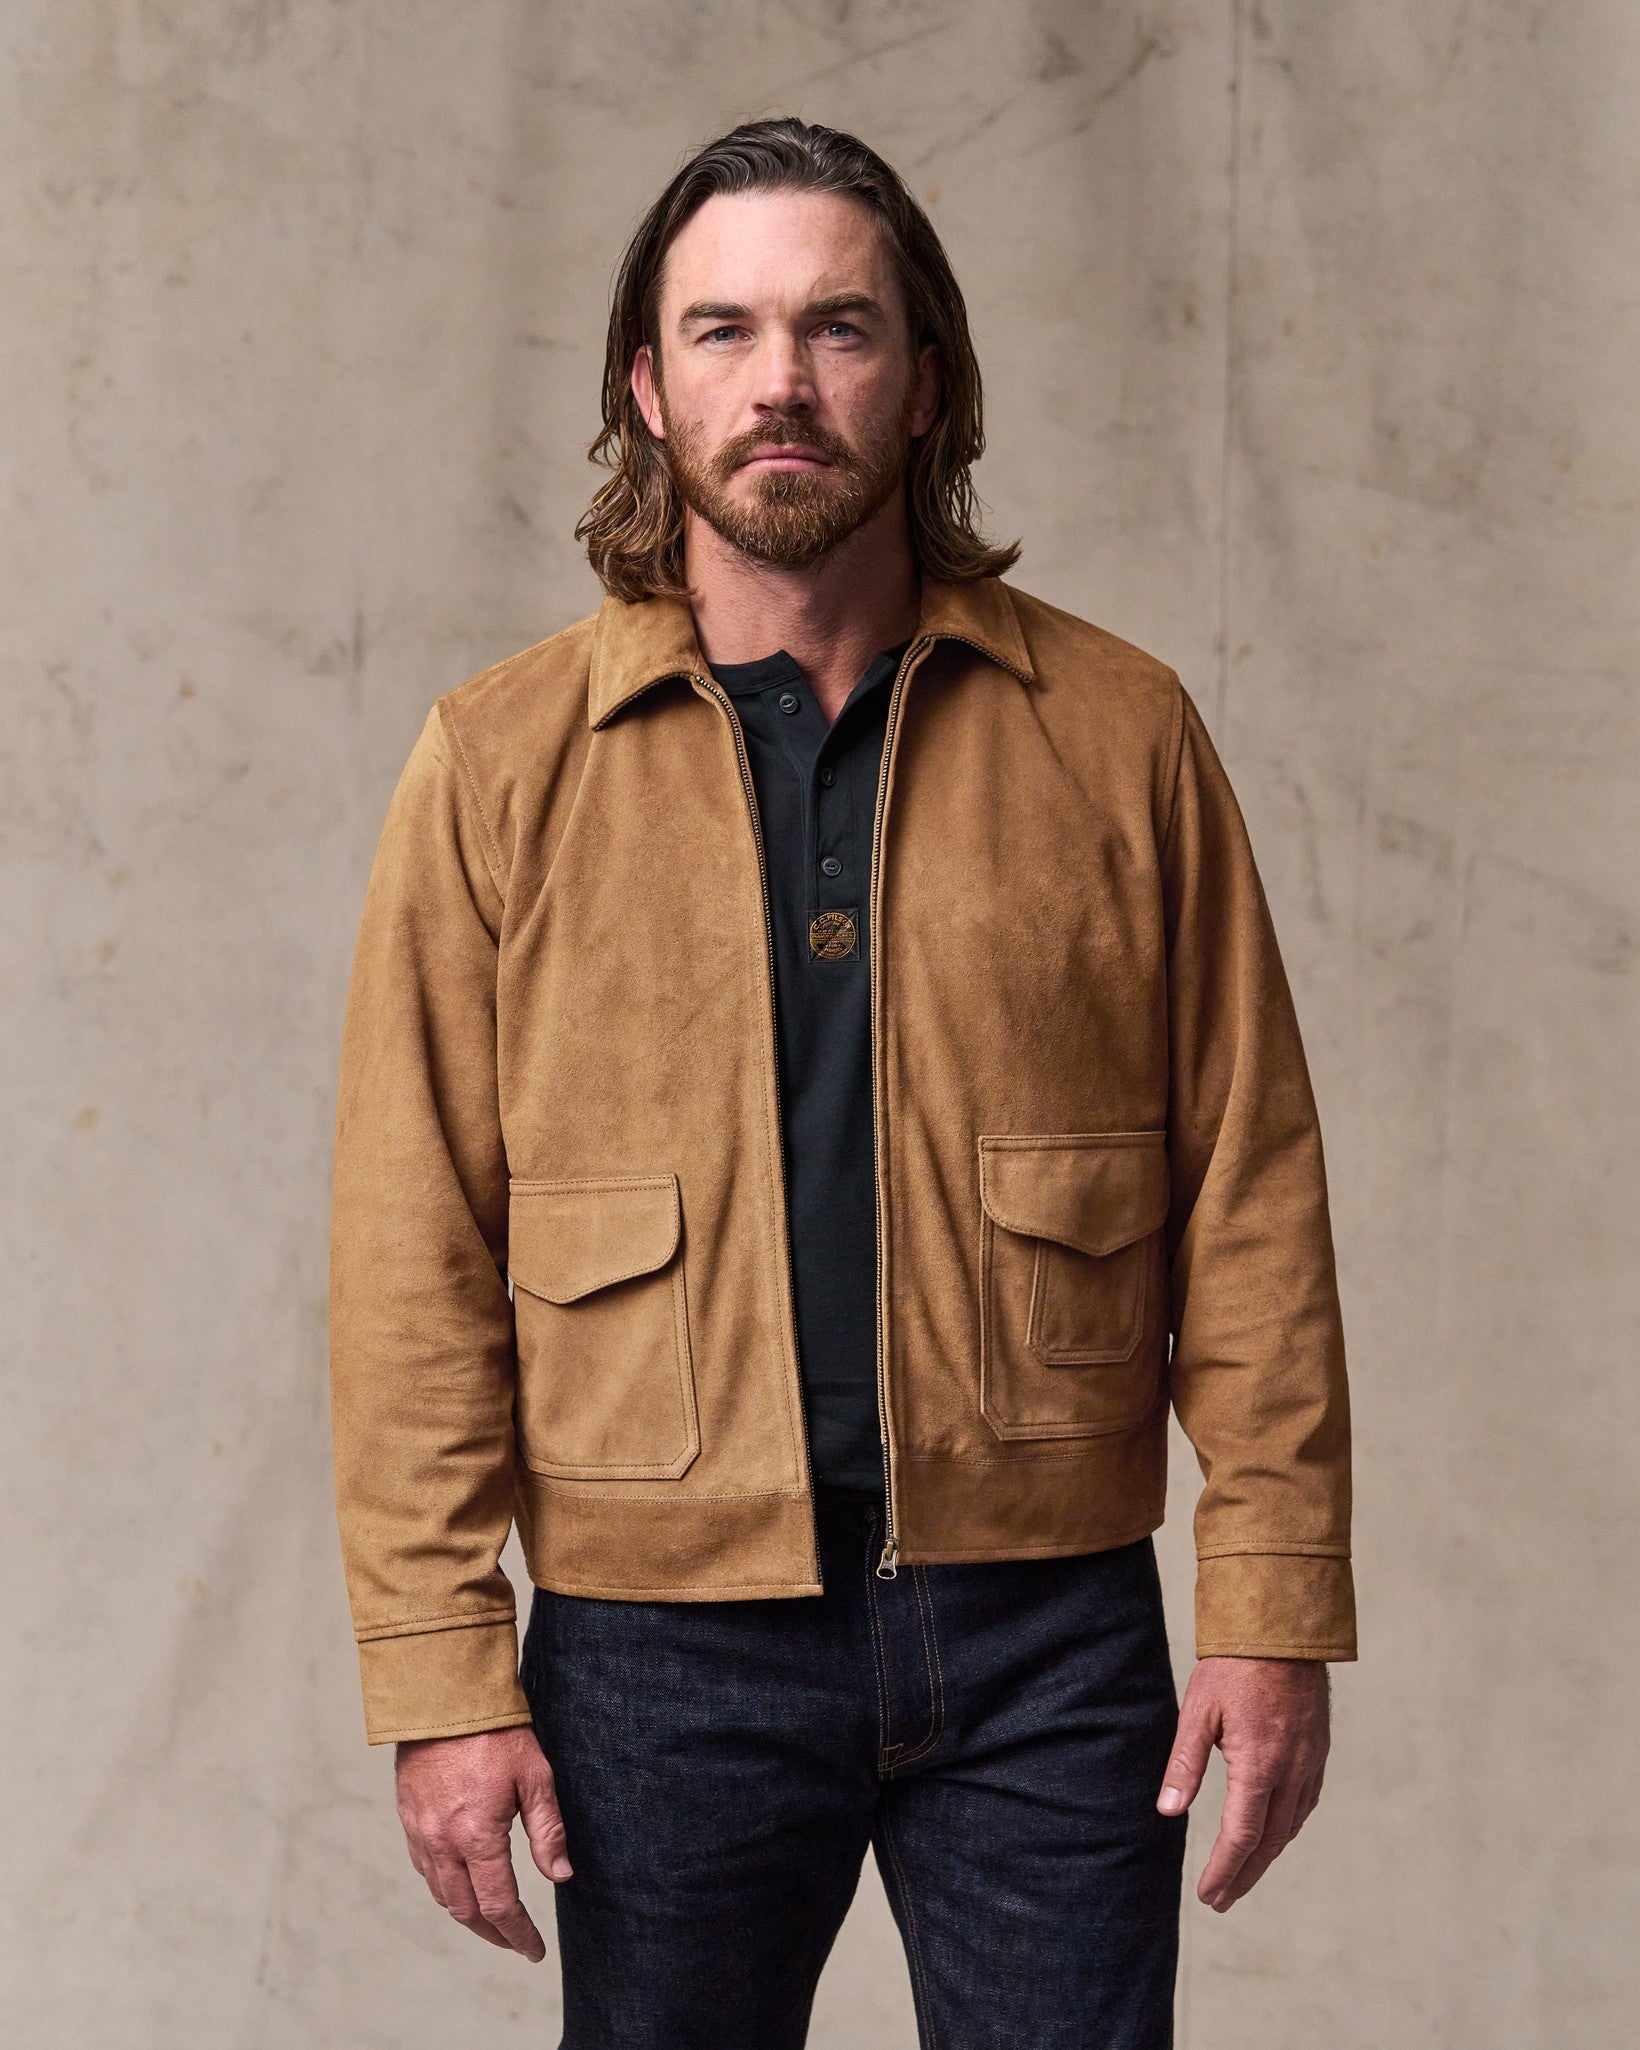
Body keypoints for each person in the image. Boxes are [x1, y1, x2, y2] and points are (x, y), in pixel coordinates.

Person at [327, 116, 1355, 2050]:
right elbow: (412, 1251)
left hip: (1052, 1631)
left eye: (838, 327)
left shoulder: (1119, 733)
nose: (780, 382)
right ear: (648, 388)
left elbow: (1252, 1189)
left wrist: (1274, 1593)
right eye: (721, 331)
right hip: (655, 1649)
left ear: (926, 379)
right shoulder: (500, 764)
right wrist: (442, 1665)